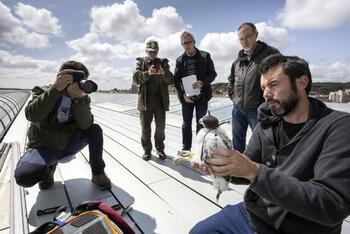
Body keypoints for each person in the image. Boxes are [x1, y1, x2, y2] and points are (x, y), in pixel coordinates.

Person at [190, 54, 350, 234]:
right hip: (255, 214)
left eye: (273, 84)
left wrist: (254, 171)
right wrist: (222, 168)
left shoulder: (339, 127)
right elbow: (247, 165)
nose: (266, 93)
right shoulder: (267, 123)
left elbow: (332, 206)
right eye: (263, 87)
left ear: (301, 83)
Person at [15, 60, 111, 190]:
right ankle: (48, 170)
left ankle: (98, 173)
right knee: (24, 177)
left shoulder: (82, 98)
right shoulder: (42, 91)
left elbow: (86, 125)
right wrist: (55, 90)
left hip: (69, 144)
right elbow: (32, 115)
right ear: (60, 77)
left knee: (95, 130)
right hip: (44, 148)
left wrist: (78, 100)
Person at [228, 22, 280, 153]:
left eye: (248, 36)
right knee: (237, 141)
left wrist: (265, 104)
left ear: (256, 35)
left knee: (262, 142)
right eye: (241, 39)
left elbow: (280, 79)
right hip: (238, 109)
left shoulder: (270, 54)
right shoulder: (237, 61)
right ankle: (238, 171)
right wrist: (234, 98)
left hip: (257, 110)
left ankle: (261, 171)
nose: (245, 41)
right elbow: (231, 81)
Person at [174, 31, 217, 153]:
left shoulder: (205, 56)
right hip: (187, 98)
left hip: (202, 96)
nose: (187, 45)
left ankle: (200, 149)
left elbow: (213, 74)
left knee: (201, 124)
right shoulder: (179, 60)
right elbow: (176, 80)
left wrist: (202, 82)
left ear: (194, 42)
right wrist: (183, 95)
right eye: (184, 43)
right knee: (186, 124)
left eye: (189, 42)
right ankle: (186, 149)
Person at [133, 40, 173, 161]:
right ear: (146, 51)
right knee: (145, 128)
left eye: (154, 52)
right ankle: (147, 150)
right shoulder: (141, 63)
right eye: (150, 52)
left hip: (160, 100)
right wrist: (147, 73)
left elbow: (171, 80)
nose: (152, 54)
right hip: (145, 100)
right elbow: (135, 78)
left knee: (160, 127)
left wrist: (163, 73)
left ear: (157, 51)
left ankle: (160, 149)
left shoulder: (163, 63)